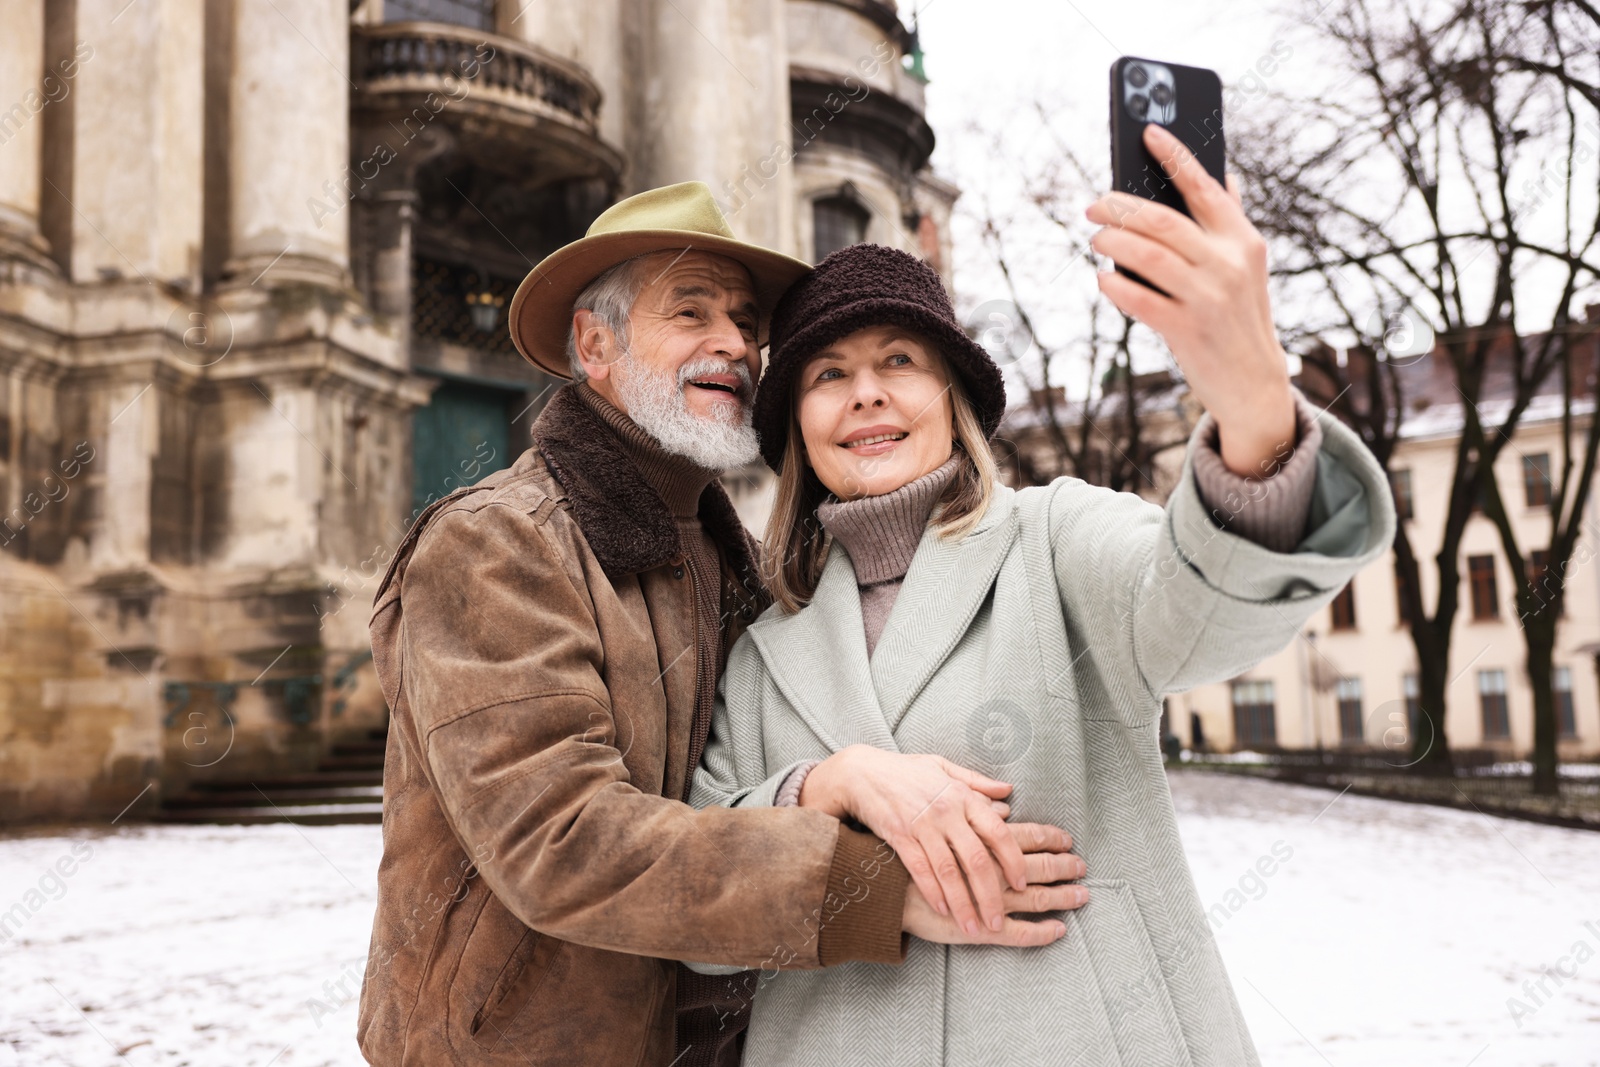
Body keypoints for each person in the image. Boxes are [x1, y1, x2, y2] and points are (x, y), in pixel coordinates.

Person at [687, 125, 1398, 1064]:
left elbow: (1196, 616)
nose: (865, 394)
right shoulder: (766, 643)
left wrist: (1254, 408)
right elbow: (701, 874)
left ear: (954, 399)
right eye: (828, 374)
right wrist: (832, 789)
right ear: (797, 432)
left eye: (899, 361)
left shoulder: (1056, 540)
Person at [356, 182, 1082, 1067]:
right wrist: (875, 888)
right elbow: (562, 842)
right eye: (690, 310)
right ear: (596, 344)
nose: (735, 343)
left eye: (745, 320)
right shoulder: (494, 544)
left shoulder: (741, 557)